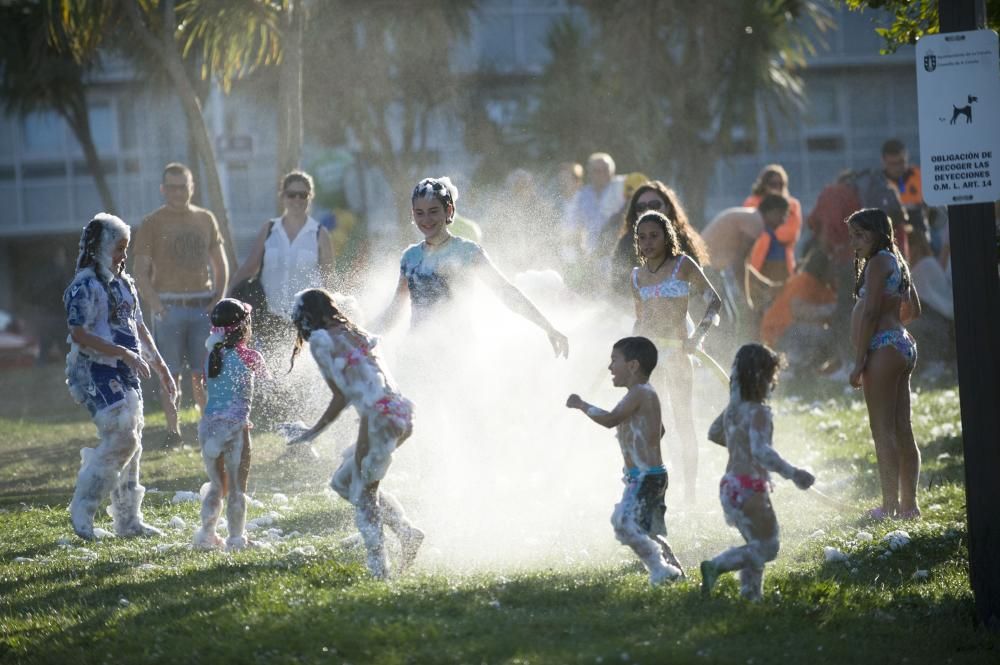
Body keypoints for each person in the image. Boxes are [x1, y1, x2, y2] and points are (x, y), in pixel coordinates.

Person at [286, 288, 424, 579]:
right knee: (342, 482)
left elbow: (341, 396)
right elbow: (373, 383)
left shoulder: (322, 342)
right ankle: (405, 531)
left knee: (363, 493)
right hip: (400, 413)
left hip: (379, 419)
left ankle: (380, 572)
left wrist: (313, 432)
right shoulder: (355, 331)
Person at [64, 214, 177, 540]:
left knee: (133, 439)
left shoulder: (125, 283)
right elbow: (79, 333)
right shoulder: (84, 285)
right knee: (120, 435)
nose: (122, 257)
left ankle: (128, 521)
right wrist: (125, 354)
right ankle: (82, 509)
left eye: (125, 249)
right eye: (117, 249)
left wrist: (163, 368)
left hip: (126, 370)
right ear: (99, 248)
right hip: (94, 369)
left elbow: (138, 327)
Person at [374, 176, 569, 357]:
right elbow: (394, 311)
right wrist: (359, 336)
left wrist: (548, 327)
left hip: (457, 350)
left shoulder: (468, 251)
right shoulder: (410, 257)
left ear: (449, 210)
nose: (426, 220)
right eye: (420, 213)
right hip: (417, 352)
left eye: (433, 211)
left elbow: (505, 291)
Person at [701, 343, 815, 601]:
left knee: (755, 544)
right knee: (769, 547)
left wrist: (737, 441)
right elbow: (762, 451)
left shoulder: (731, 411)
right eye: (772, 376)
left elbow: (714, 433)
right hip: (749, 486)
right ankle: (717, 565)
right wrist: (794, 474)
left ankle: (751, 595)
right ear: (763, 378)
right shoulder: (759, 412)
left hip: (729, 486)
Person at [566, 336, 683, 586]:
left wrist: (581, 405)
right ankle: (674, 571)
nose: (609, 368)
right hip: (646, 474)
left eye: (614, 360)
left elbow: (610, 420)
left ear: (633, 366)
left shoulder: (640, 392)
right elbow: (659, 430)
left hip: (646, 476)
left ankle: (661, 570)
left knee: (623, 523)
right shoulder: (643, 394)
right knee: (645, 529)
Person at [133, 163, 229, 443]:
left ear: (192, 187)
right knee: (170, 375)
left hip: (203, 306)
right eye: (172, 187)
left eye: (182, 186)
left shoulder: (206, 218)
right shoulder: (152, 222)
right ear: (163, 190)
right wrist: (156, 305)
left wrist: (217, 300)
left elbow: (221, 265)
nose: (177, 192)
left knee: (203, 374)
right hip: (169, 307)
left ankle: (206, 427)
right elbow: (140, 271)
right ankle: (173, 432)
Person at [631, 210, 722, 500]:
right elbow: (640, 320)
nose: (647, 242)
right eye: (642, 237)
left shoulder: (683, 265)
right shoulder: (637, 276)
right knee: (653, 424)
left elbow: (714, 302)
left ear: (667, 236)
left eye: (654, 236)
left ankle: (691, 492)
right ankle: (657, 487)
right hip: (650, 356)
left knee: (683, 420)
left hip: (679, 353)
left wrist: (698, 337)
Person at [847, 208, 922, 520]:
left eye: (861, 235)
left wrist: (860, 359)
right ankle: (909, 506)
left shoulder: (878, 262)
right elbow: (914, 309)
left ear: (879, 233)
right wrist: (894, 329)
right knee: (902, 429)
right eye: (852, 235)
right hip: (901, 344)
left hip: (883, 348)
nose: (855, 242)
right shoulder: (896, 260)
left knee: (882, 431)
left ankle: (889, 505)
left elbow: (870, 313)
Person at [193, 298, 270, 551]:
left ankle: (206, 536)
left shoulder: (210, 357)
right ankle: (237, 540)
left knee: (217, 485)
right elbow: (270, 384)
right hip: (236, 430)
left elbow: (209, 388)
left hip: (209, 428)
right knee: (237, 488)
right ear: (244, 326)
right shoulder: (250, 356)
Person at [228, 170, 335, 352]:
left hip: (307, 318)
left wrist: (332, 317)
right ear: (283, 196)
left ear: (310, 197)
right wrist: (227, 297)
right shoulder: (269, 229)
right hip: (270, 318)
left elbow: (328, 279)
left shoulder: (319, 233)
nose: (297, 200)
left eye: (303, 195)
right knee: (270, 373)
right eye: (291, 194)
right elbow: (250, 267)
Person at [610, 181, 711, 306]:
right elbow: (617, 287)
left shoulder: (683, 241)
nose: (647, 210)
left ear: (668, 207)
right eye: (641, 207)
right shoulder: (626, 243)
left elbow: (700, 291)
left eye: (654, 205)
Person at [760, 249, 838, 378]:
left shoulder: (822, 286)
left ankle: (803, 366)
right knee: (827, 335)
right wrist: (833, 310)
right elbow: (799, 310)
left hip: (784, 331)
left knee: (824, 334)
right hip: (779, 332)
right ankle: (791, 365)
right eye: (833, 267)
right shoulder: (805, 281)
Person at [743, 165, 803, 276]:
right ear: (763, 185)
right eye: (773, 184)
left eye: (781, 184)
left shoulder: (793, 205)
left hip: (783, 263)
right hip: (757, 262)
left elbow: (791, 234)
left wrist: (769, 229)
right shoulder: (752, 202)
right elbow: (749, 231)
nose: (777, 188)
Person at [567, 153, 625, 255]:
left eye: (605, 170)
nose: (601, 174)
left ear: (612, 172)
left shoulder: (621, 189)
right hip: (590, 252)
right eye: (597, 171)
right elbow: (575, 225)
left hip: (616, 251)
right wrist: (580, 252)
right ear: (590, 173)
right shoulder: (582, 195)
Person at [746, 194, 792, 321]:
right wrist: (747, 297)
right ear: (773, 212)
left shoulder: (764, 229)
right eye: (783, 215)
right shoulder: (758, 226)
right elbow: (745, 264)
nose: (783, 221)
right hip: (752, 288)